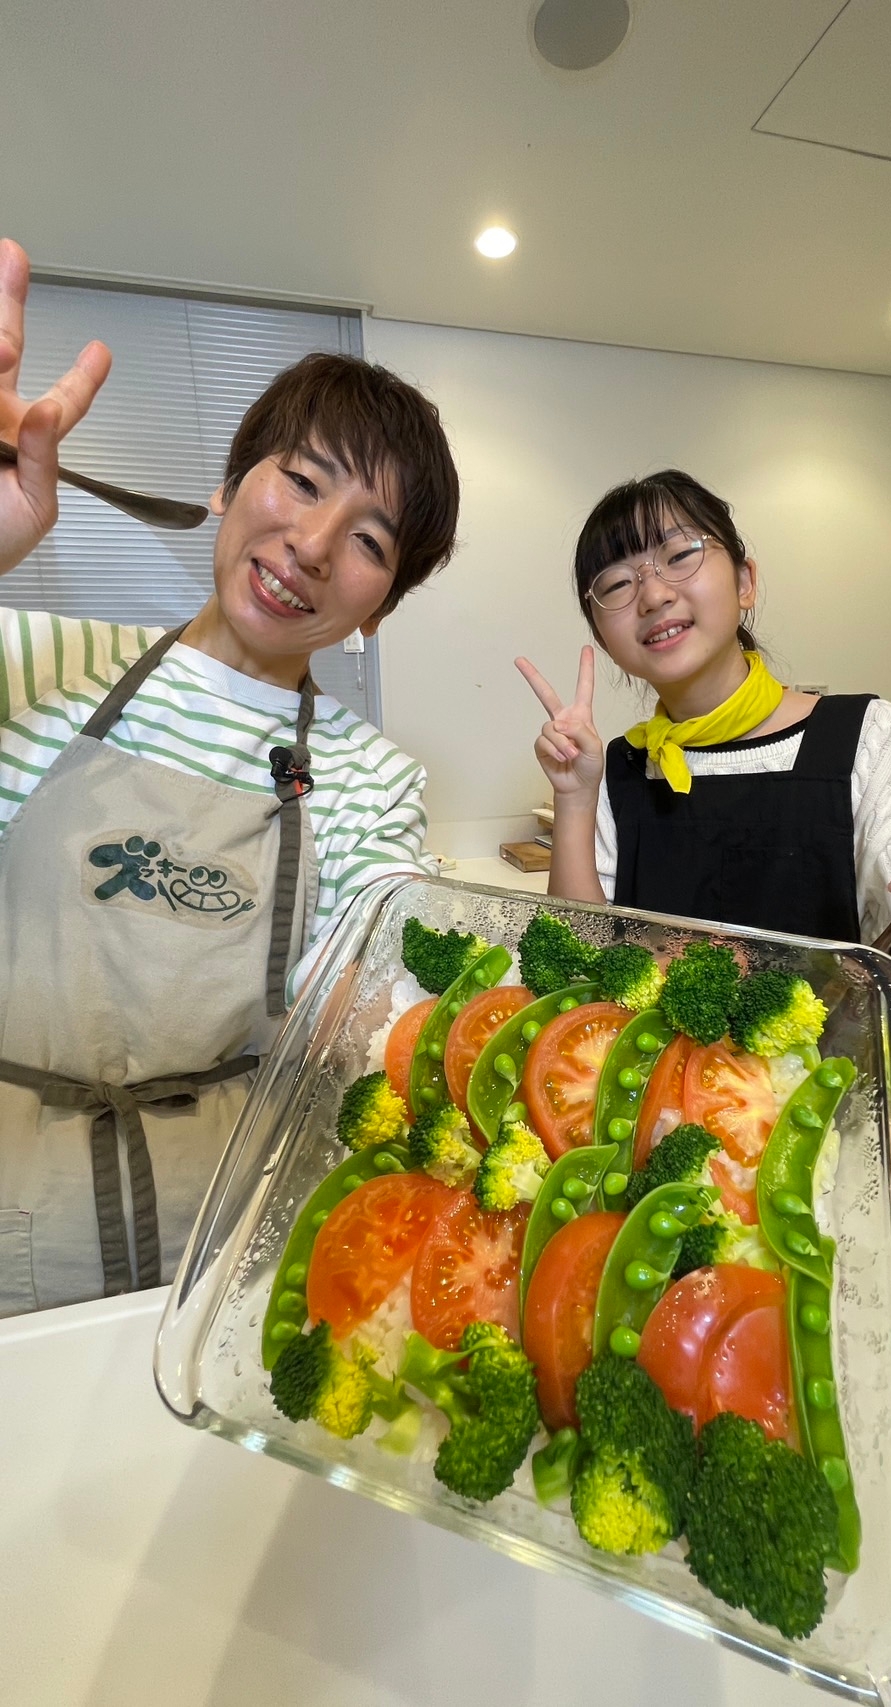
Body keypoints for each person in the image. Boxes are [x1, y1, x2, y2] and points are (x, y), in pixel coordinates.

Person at [0, 238, 459, 1315]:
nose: (308, 544)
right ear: (225, 486)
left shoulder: (370, 777)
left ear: (379, 606)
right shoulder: (35, 666)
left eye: (369, 541)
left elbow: (374, 1001)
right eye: (300, 480)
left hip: (231, 1246)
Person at [517, 468, 891, 996]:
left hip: (827, 1076)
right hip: (653, 1077)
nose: (653, 595)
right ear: (605, 640)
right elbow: (577, 970)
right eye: (617, 583)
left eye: (680, 555)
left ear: (745, 581)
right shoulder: (616, 769)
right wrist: (573, 797)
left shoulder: (874, 738)